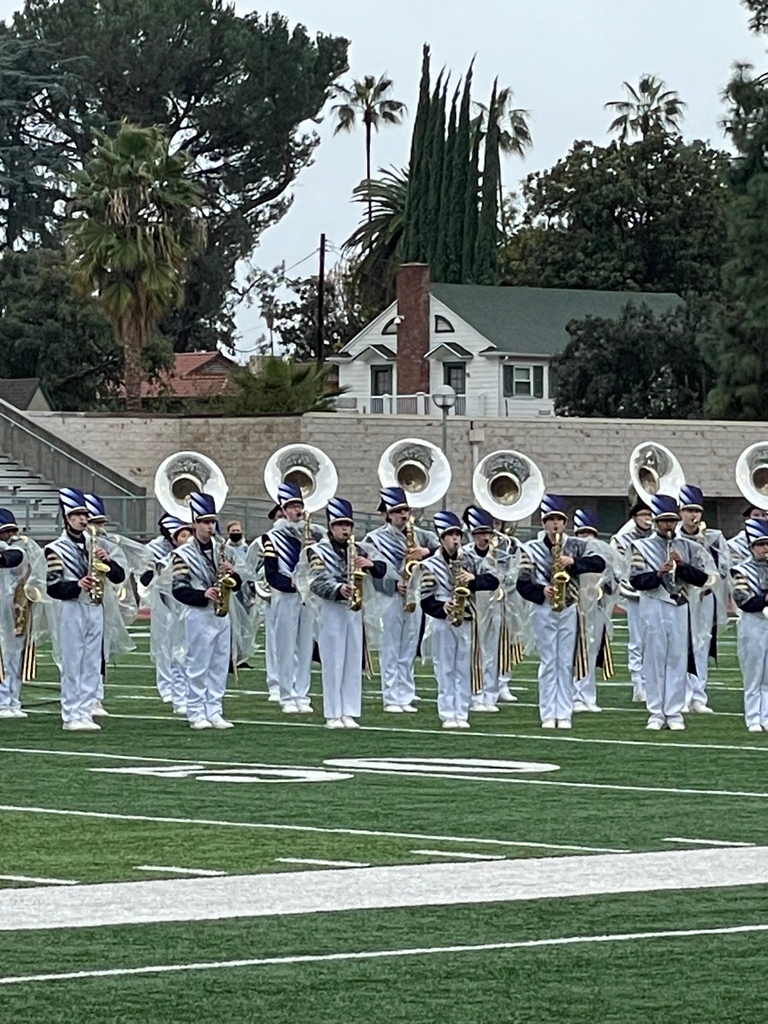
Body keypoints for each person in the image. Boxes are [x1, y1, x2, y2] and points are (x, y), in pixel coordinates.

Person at [516, 495, 606, 730]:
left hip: (569, 607)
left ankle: (564, 713)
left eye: (559, 519)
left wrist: (573, 562)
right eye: (551, 519)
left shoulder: (576, 545)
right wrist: (541, 591)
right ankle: (548, 713)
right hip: (543, 608)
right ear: (544, 523)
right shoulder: (531, 549)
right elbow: (522, 583)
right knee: (549, 662)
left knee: (565, 662)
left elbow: (599, 563)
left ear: (565, 523)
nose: (555, 524)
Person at [45, 488, 126, 732]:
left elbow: (119, 576)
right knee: (73, 662)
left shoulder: (95, 545)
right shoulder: (56, 549)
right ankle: (71, 714)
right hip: (73, 607)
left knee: (92, 661)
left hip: (95, 607)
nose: (83, 519)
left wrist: (108, 561)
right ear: (67, 518)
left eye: (85, 515)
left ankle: (86, 710)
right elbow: (53, 586)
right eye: (77, 515)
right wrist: (76, 585)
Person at [629, 493, 710, 731]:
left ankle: (674, 712)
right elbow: (635, 580)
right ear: (656, 522)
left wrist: (682, 566)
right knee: (654, 660)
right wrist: (658, 573)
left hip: (680, 604)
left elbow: (701, 578)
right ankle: (656, 712)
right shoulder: (641, 547)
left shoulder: (689, 546)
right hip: (654, 603)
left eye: (672, 521)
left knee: (677, 659)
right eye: (664, 521)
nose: (669, 525)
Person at [308, 497, 386, 728]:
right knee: (333, 661)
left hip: (355, 610)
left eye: (348, 525)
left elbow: (382, 569)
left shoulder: (359, 549)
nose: (345, 529)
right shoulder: (318, 551)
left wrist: (370, 564)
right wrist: (338, 589)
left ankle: (349, 710)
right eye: (340, 525)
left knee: (353, 660)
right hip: (331, 609)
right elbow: (314, 581)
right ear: (331, 527)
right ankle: (333, 713)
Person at [421, 511, 499, 730]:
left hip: (467, 618)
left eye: (458, 535)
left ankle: (462, 712)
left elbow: (493, 580)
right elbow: (425, 599)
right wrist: (442, 607)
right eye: (451, 535)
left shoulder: (470, 560)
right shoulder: (430, 565)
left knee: (464, 668)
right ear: (441, 538)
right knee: (445, 668)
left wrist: (473, 579)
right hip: (443, 621)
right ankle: (448, 713)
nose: (455, 540)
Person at [171, 491, 241, 730]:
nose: (211, 527)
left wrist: (232, 573)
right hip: (198, 614)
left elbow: (238, 584)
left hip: (222, 613)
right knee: (198, 664)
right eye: (205, 522)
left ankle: (215, 709)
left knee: (220, 664)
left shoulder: (222, 549)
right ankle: (196, 711)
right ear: (195, 523)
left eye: (212, 522)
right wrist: (203, 595)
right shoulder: (183, 554)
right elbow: (178, 589)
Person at [364, 486, 436, 713]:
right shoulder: (375, 539)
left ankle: (406, 694)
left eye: (405, 510)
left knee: (409, 645)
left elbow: (444, 552)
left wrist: (426, 552)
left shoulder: (421, 536)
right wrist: (394, 584)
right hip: (390, 597)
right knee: (391, 647)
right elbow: (370, 571)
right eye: (398, 511)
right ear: (388, 514)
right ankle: (391, 697)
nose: (403, 515)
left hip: (415, 594)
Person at [677, 484, 729, 714]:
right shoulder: (673, 537)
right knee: (680, 645)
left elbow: (724, 568)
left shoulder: (713, 537)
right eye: (689, 510)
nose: (693, 515)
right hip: (680, 597)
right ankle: (681, 695)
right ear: (681, 512)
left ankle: (699, 696)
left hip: (705, 595)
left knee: (702, 644)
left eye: (697, 511)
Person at [461, 506, 513, 713]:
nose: (484, 538)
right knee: (474, 651)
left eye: (488, 533)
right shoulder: (464, 554)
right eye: (480, 533)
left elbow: (509, 578)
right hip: (473, 606)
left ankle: (490, 695)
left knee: (493, 650)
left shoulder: (502, 555)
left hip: (496, 605)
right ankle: (474, 695)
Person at [141, 514, 192, 714]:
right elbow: (145, 578)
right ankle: (166, 686)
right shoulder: (155, 549)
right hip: (164, 604)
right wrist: (157, 568)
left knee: (186, 647)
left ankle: (186, 687)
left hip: (186, 603)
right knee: (164, 645)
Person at [572, 508, 619, 713]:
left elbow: (614, 579)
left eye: (589, 533)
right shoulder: (570, 552)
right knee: (574, 652)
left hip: (597, 607)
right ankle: (574, 695)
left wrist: (606, 585)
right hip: (574, 606)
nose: (586, 537)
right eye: (582, 533)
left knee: (591, 651)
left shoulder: (603, 552)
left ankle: (588, 696)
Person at [0, 510, 42, 720]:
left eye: (11, 531)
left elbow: (14, 558)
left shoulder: (19, 548)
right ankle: (2, 700)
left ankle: (13, 699)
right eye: (4, 532)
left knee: (16, 656)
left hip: (17, 609)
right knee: (2, 656)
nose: (10, 535)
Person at [611, 500, 653, 703]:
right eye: (643, 515)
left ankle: (651, 682)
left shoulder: (657, 537)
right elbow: (618, 566)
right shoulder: (622, 539)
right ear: (634, 518)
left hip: (655, 592)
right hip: (635, 594)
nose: (647, 519)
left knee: (654, 640)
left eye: (650, 515)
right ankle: (638, 684)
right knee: (637, 640)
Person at [731, 518, 768, 732]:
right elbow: (743, 600)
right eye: (760, 544)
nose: (765, 549)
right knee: (754, 674)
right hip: (753, 623)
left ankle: (766, 716)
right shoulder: (742, 570)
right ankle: (753, 717)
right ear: (752, 547)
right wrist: (765, 599)